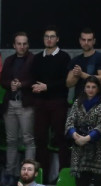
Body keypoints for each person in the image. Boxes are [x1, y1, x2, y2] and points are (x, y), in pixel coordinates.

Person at [31, 27, 71, 177]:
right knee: (40, 138)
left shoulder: (64, 57)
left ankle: (63, 175)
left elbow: (65, 82)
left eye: (52, 36)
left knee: (60, 138)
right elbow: (33, 77)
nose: (49, 39)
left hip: (58, 102)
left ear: (57, 39)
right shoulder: (37, 58)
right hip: (40, 103)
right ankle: (43, 174)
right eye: (46, 36)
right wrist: (35, 87)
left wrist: (47, 87)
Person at [1, 32, 36, 184]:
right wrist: (11, 84)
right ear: (14, 45)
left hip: (26, 103)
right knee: (11, 140)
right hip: (10, 103)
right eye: (18, 44)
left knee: (28, 139)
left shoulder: (33, 59)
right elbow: (2, 80)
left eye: (24, 43)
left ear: (27, 45)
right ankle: (11, 173)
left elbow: (36, 78)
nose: (21, 46)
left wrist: (22, 84)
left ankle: (28, 172)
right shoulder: (9, 60)